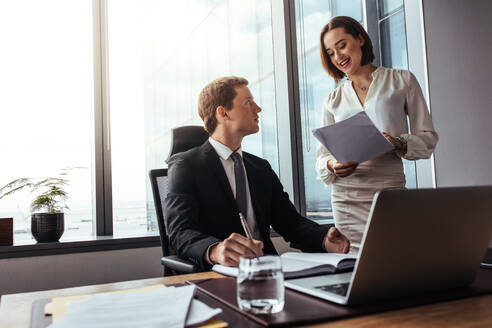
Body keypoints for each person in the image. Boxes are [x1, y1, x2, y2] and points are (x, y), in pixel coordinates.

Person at [165, 76, 350, 270]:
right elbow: (180, 232)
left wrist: (323, 239)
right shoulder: (186, 166)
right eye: (248, 102)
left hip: (267, 271)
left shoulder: (260, 168)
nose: (258, 109)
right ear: (223, 113)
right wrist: (215, 250)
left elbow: (291, 223)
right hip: (218, 275)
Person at [316, 16, 439, 253]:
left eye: (341, 45)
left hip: (388, 190)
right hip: (346, 198)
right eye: (330, 52)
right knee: (351, 264)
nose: (338, 56)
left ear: (360, 39)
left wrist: (398, 142)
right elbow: (323, 156)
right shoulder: (332, 100)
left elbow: (428, 138)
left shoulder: (402, 80)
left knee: (395, 257)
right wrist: (332, 165)